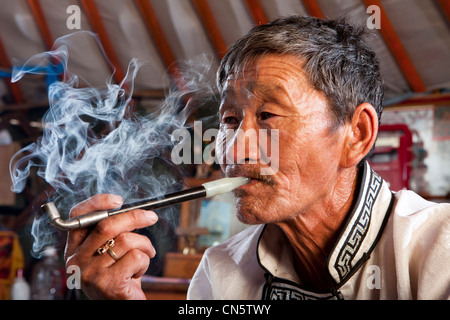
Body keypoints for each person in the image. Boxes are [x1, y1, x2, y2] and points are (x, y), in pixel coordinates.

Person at [65, 16, 450, 300]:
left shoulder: (438, 249)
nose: (234, 148)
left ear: (357, 134)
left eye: (267, 115)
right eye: (230, 120)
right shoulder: (222, 271)